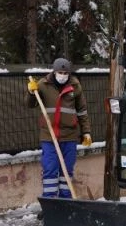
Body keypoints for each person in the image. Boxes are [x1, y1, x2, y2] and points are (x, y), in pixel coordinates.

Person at [27, 58, 92, 198]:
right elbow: (30, 104)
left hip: (69, 136)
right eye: (60, 72)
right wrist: (31, 93)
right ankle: (50, 202)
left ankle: (65, 200)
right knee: (50, 169)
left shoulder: (75, 86)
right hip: (49, 136)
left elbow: (82, 111)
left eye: (65, 72)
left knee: (66, 171)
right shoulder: (43, 84)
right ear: (54, 71)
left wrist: (86, 132)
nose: (63, 75)